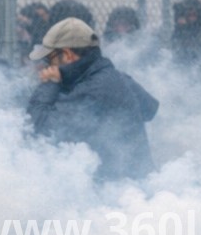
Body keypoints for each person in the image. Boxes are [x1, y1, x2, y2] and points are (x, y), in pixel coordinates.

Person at [27, 18, 158, 181]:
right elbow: (149, 109)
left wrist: (49, 84)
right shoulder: (112, 76)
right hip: (134, 182)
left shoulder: (92, 89)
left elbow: (38, 129)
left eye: (50, 59)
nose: (46, 66)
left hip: (117, 191)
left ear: (67, 54)